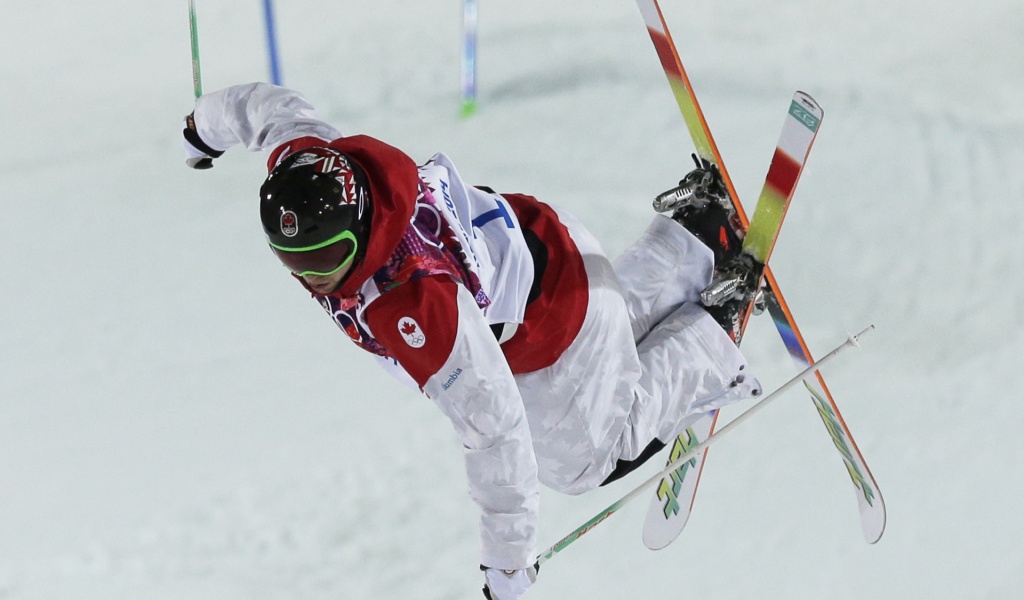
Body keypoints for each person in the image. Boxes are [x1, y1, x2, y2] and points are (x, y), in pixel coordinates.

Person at [182, 82, 762, 600]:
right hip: (554, 249)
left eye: (330, 256)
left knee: (583, 462)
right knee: (602, 359)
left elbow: (496, 428)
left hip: (555, 322)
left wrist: (506, 566)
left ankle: (711, 338)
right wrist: (202, 129)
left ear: (357, 223)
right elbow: (266, 108)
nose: (314, 277)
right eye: (292, 259)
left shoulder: (412, 302)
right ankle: (694, 239)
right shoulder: (316, 163)